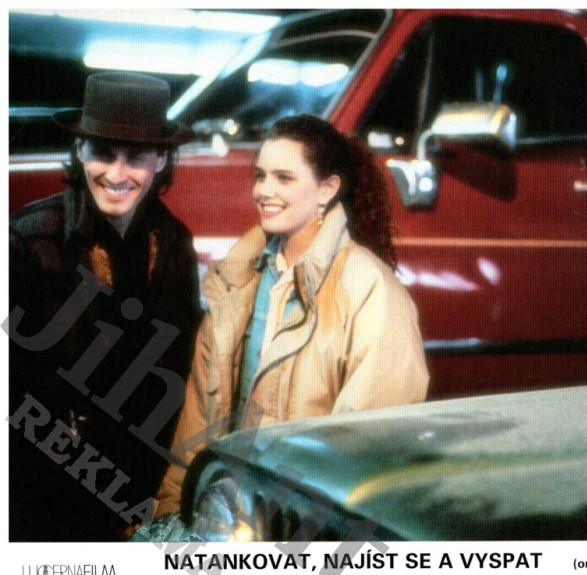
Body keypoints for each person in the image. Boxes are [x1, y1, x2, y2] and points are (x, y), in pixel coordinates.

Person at [151, 114, 429, 525]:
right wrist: (173, 518)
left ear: (327, 189)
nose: (264, 191)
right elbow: (196, 433)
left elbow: (368, 447)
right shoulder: (234, 284)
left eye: (284, 178)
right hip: (226, 526)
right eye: (260, 176)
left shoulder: (372, 291)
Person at [8, 72, 202, 541]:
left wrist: (141, 497)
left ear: (161, 160)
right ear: (79, 151)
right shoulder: (27, 241)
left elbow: (174, 381)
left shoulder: (174, 246)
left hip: (134, 502)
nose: (116, 174)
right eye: (102, 152)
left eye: (135, 157)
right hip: (37, 502)